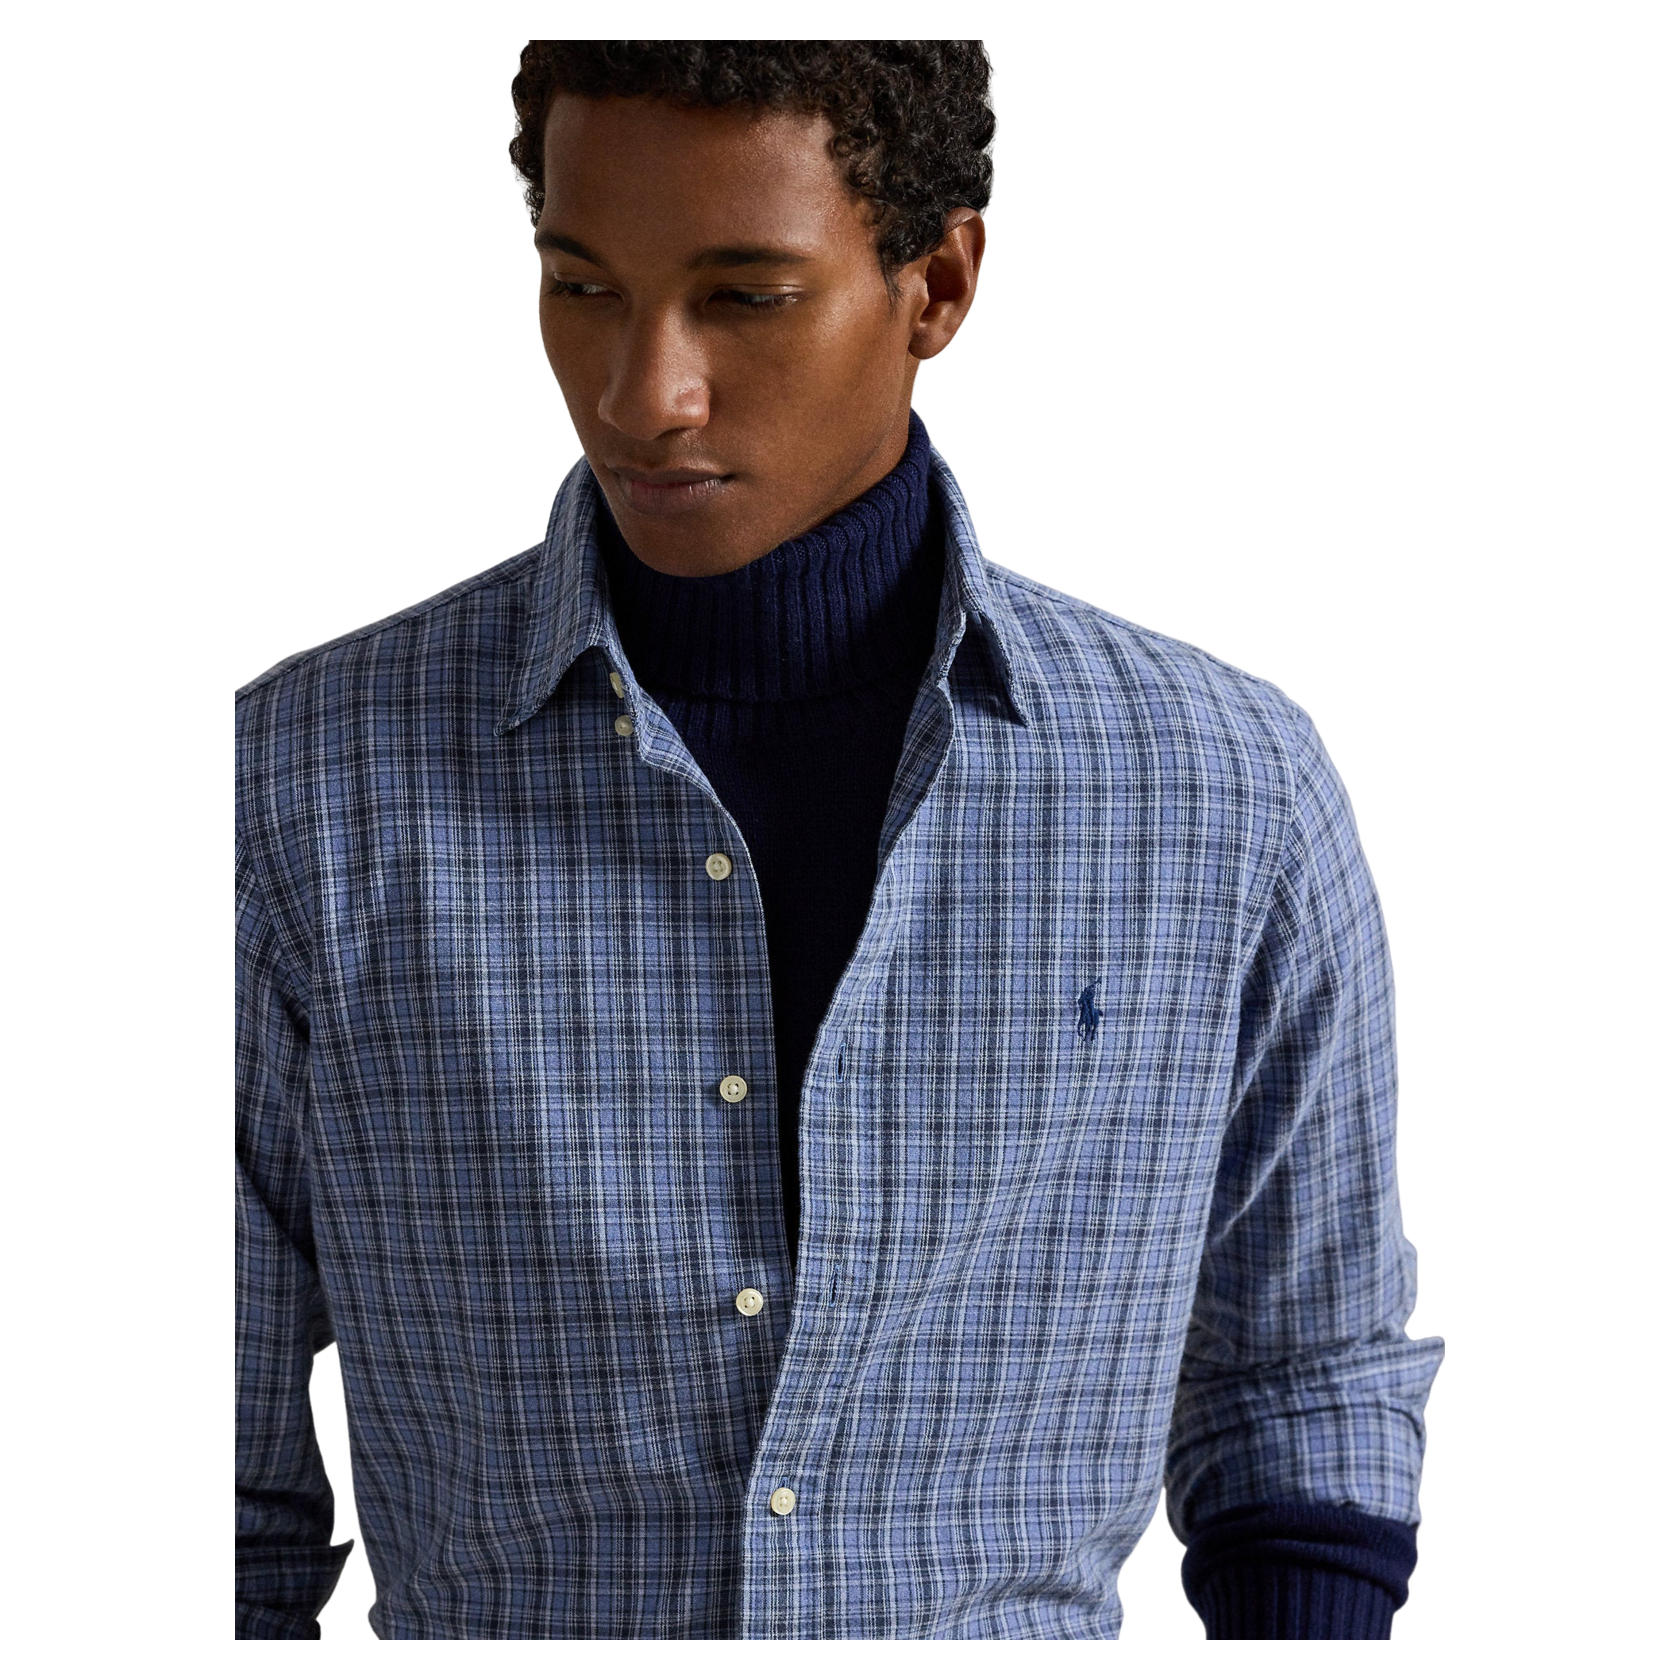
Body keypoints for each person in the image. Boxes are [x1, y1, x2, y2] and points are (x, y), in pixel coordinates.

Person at [235, 39, 1442, 1640]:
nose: (641, 396)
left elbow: (1305, 1387)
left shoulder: (1230, 787)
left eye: (744, 296)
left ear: (936, 285)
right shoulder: (296, 787)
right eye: (582, 287)